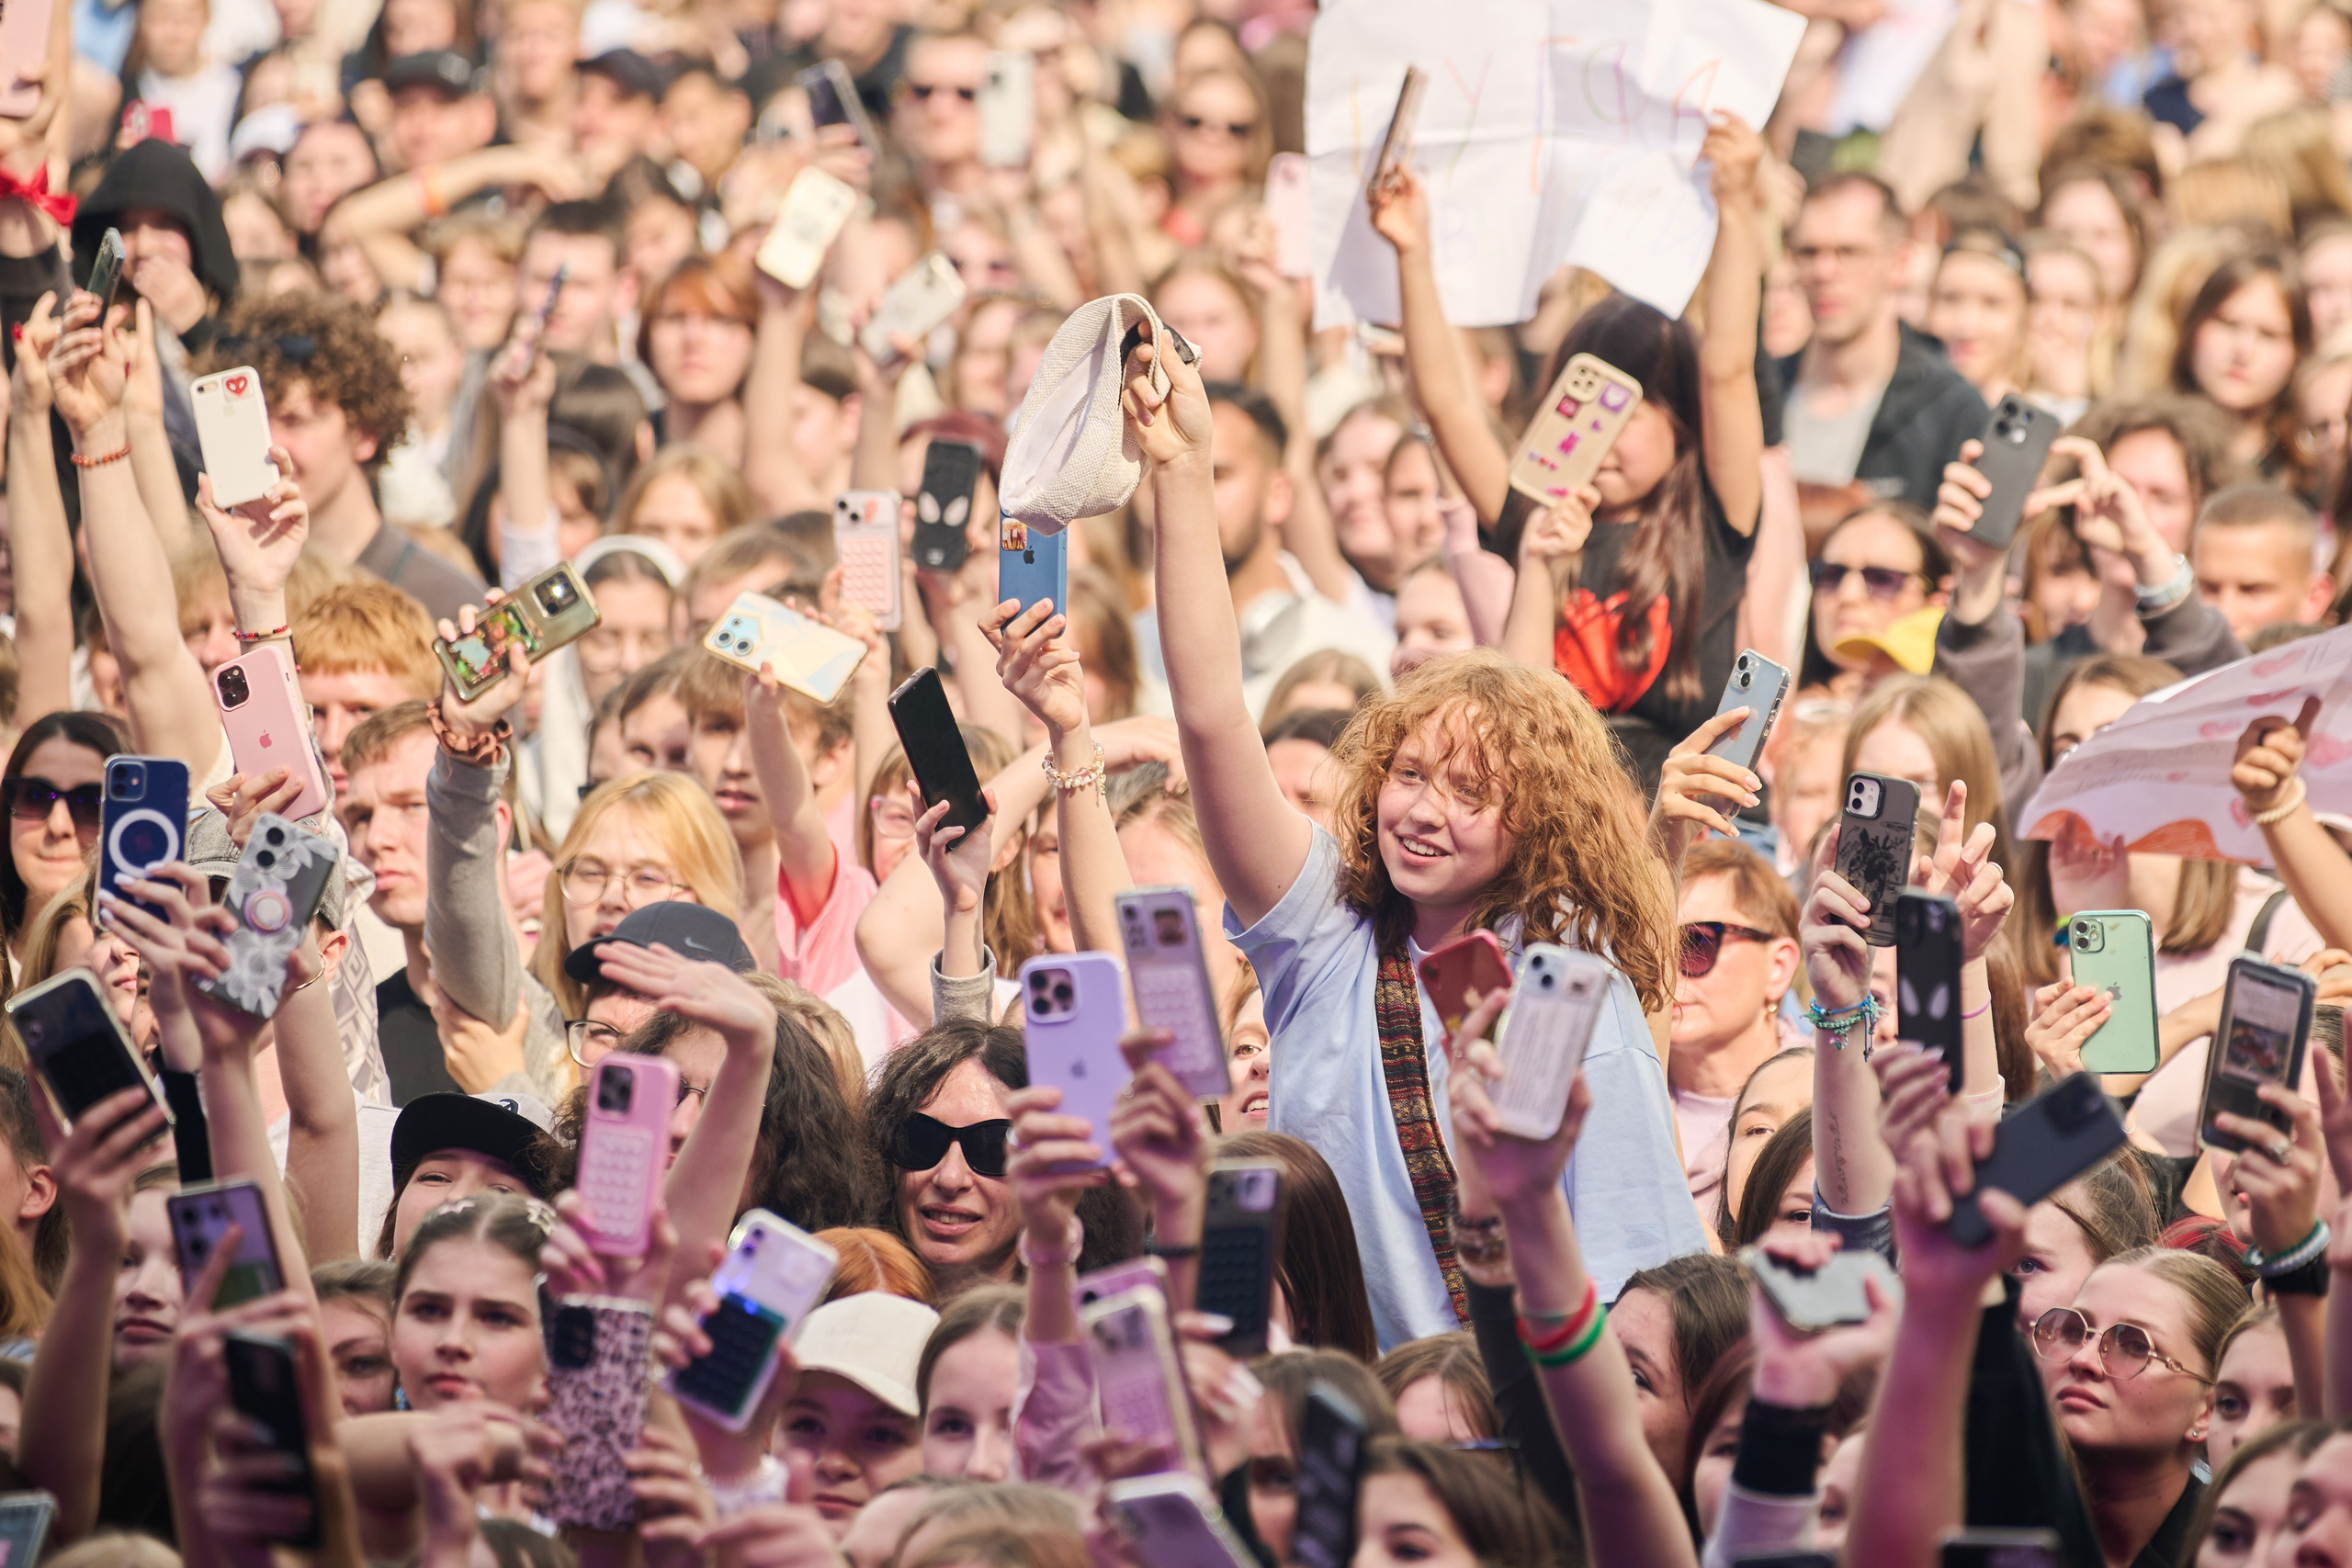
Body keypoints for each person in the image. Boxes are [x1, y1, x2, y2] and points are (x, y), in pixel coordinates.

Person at [1141, 314, 1702, 1348]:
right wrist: (1181, 468)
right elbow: (1214, 714)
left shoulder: (1575, 994)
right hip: (1329, 1403)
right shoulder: (1321, 932)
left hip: (1511, 1411)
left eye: (1470, 790)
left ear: (1537, 823)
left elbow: (1636, 1273)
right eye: (1408, 775)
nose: (1424, 810)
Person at [1781, 174, 1989, 533]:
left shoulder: (1949, 408)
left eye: (1849, 252)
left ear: (1899, 262)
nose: (1824, 272)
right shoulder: (1760, 389)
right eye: (1808, 253)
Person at [1663, 840, 1802, 1210]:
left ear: (1778, 967)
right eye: (1650, 944)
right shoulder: (1611, 1093)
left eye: (1696, 942)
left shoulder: (1827, 1097)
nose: (1665, 970)